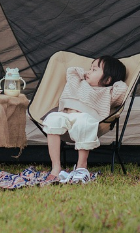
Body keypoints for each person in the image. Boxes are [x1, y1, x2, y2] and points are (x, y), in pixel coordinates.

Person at [45, 55, 127, 183]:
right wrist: (87, 74)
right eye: (90, 68)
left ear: (107, 79)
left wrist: (111, 81)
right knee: (52, 118)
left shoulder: (108, 92)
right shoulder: (78, 82)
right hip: (66, 114)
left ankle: (81, 166)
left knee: (84, 122)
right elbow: (71, 71)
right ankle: (56, 167)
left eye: (94, 70)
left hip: (86, 118)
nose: (88, 72)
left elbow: (122, 90)